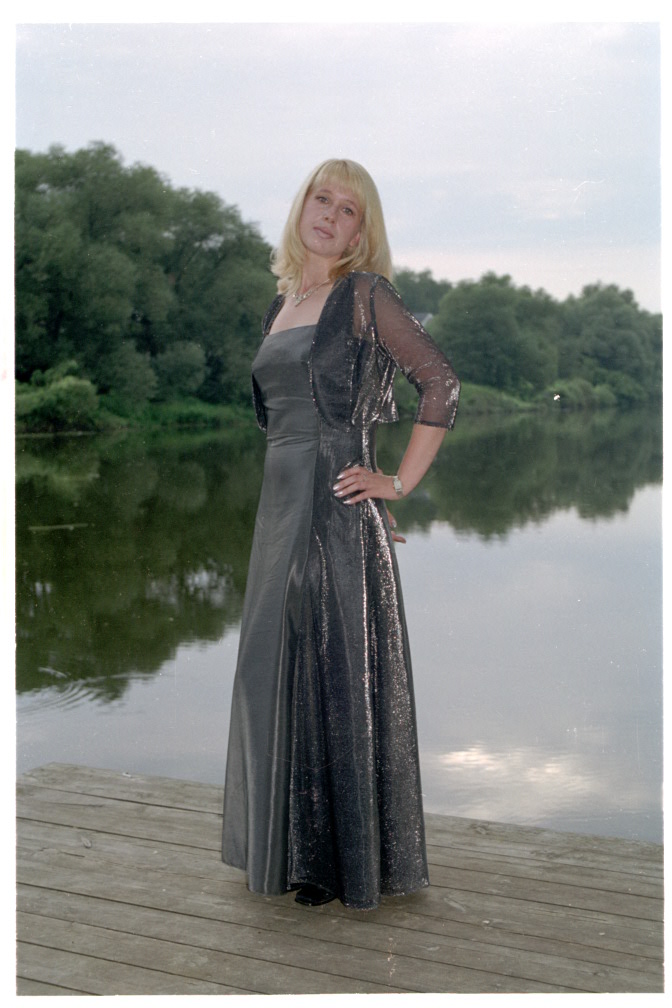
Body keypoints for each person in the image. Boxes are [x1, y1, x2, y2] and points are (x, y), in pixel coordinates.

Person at [221, 159, 459, 910]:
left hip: (331, 506)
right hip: (278, 507)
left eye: (347, 208)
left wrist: (396, 483)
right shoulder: (283, 303)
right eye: (320, 199)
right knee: (275, 666)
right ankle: (295, 851)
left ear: (361, 231)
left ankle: (334, 863)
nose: (329, 214)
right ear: (301, 207)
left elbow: (440, 383)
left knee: (332, 663)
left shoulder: (364, 295)